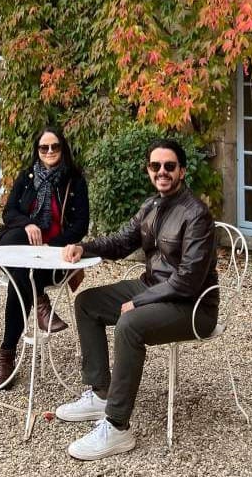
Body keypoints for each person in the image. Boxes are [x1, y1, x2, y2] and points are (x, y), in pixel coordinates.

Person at [57, 139, 218, 460]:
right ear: (148, 170)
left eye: (169, 166)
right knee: (87, 303)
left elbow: (188, 279)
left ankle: (117, 427)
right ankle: (101, 393)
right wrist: (84, 247)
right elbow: (121, 242)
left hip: (193, 306)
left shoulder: (197, 214)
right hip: (153, 288)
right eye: (156, 166)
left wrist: (141, 302)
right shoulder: (151, 206)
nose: (162, 172)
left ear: (182, 171)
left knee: (129, 324)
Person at [0, 126, 89, 389]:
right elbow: (9, 213)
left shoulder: (75, 181)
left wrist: (49, 246)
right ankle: (40, 301)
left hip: (54, 259)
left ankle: (6, 354)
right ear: (37, 150)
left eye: (54, 146)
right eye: (44, 147)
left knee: (19, 281)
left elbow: (80, 225)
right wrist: (28, 224)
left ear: (62, 149)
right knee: (16, 242)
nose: (49, 151)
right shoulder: (27, 177)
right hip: (24, 251)